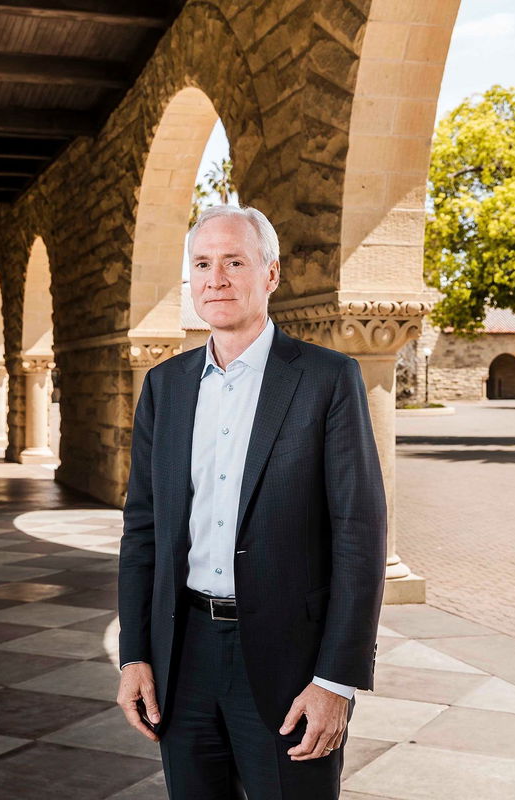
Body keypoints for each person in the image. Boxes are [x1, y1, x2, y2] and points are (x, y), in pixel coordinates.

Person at [116, 203, 387, 799]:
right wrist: (134, 654)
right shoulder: (165, 386)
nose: (216, 278)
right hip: (180, 659)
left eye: (234, 261)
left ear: (270, 274)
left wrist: (336, 680)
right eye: (203, 264)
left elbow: (358, 537)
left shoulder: (326, 379)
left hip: (290, 666)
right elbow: (142, 531)